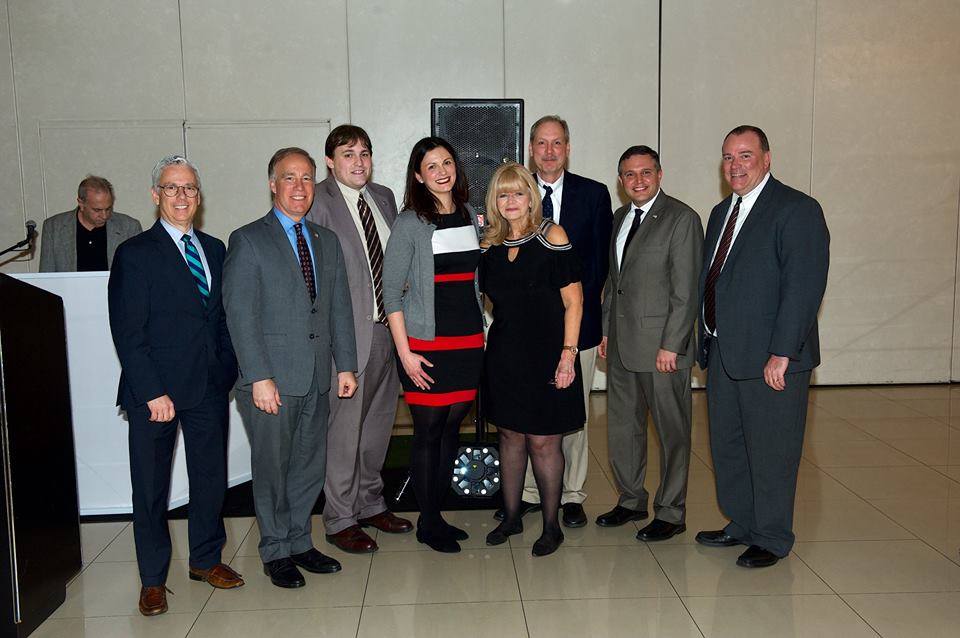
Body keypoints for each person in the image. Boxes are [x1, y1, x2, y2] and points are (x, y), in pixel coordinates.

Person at [108, 155, 243, 617]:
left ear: (199, 197)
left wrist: (226, 368)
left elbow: (221, 317)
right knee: (150, 489)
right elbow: (128, 331)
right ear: (155, 196)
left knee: (210, 479)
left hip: (208, 385)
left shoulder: (215, 247)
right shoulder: (135, 253)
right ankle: (152, 580)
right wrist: (151, 392)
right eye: (171, 188)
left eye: (189, 188)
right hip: (155, 394)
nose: (181, 196)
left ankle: (205, 560)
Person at [223, 147, 358, 588]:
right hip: (271, 381)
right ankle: (275, 549)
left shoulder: (326, 241)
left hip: (318, 375)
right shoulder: (247, 239)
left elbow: (338, 307)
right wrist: (259, 376)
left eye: (306, 178)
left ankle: (301, 541)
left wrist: (346, 366)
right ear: (272, 183)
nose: (299, 187)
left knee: (308, 466)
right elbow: (240, 315)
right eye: (289, 178)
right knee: (273, 468)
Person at [695, 125, 829, 568]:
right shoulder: (720, 212)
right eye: (729, 157)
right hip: (725, 354)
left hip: (772, 360)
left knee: (772, 451)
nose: (735, 165)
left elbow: (803, 287)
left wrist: (783, 352)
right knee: (730, 446)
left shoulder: (796, 210)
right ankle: (743, 522)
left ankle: (772, 536)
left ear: (766, 159)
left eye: (745, 156)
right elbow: (715, 281)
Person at [499, 115, 612, 528]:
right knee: (525, 417)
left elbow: (600, 265)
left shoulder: (594, 195)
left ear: (568, 148)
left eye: (557, 143)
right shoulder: (514, 193)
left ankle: (572, 494)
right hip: (525, 336)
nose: (549, 151)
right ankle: (530, 491)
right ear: (531, 148)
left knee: (571, 415)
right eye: (542, 143)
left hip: (574, 328)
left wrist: (598, 327)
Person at [305, 124, 413, 554]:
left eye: (365, 153)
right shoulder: (317, 201)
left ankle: (370, 503)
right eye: (348, 154)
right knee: (344, 433)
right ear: (330, 161)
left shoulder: (383, 197)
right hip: (346, 339)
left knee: (377, 428)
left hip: (389, 333)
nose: (359, 162)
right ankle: (339, 518)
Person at [382, 137, 483, 553]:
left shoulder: (471, 215)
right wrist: (405, 353)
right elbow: (390, 294)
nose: (442, 171)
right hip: (426, 344)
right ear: (419, 177)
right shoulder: (410, 223)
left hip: (468, 342)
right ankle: (427, 521)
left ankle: (437, 512)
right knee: (427, 432)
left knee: (450, 432)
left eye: (447, 162)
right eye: (431, 166)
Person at [598, 146, 703, 541]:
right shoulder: (620, 218)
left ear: (660, 174)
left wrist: (672, 345)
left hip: (662, 350)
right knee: (623, 428)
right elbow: (615, 282)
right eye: (629, 174)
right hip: (623, 346)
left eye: (645, 172)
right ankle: (630, 500)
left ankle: (672, 511)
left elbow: (686, 290)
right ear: (620, 180)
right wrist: (607, 330)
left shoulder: (682, 219)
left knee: (672, 431)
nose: (637, 180)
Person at [480, 162, 584, 557]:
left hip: (548, 354)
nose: (510, 201)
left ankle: (552, 525)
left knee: (543, 441)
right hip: (505, 355)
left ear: (531, 198)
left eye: (518, 193)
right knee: (509, 436)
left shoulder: (551, 235)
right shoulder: (490, 244)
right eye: (503, 194)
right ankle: (510, 517)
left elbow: (574, 301)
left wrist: (567, 356)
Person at [40, 175, 142, 271]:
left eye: (108, 209)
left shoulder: (130, 228)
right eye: (97, 210)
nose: (104, 216)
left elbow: (139, 273)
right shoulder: (53, 228)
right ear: (81, 203)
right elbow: (46, 276)